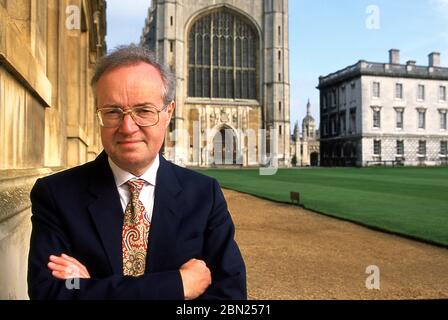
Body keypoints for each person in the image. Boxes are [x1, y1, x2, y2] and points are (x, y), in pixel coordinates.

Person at [27, 45, 247, 300]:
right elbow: (52, 293)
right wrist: (176, 286)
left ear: (169, 113)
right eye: (112, 112)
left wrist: (95, 287)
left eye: (144, 111)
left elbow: (231, 297)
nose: (128, 127)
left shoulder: (204, 195)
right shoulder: (57, 194)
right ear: (98, 113)